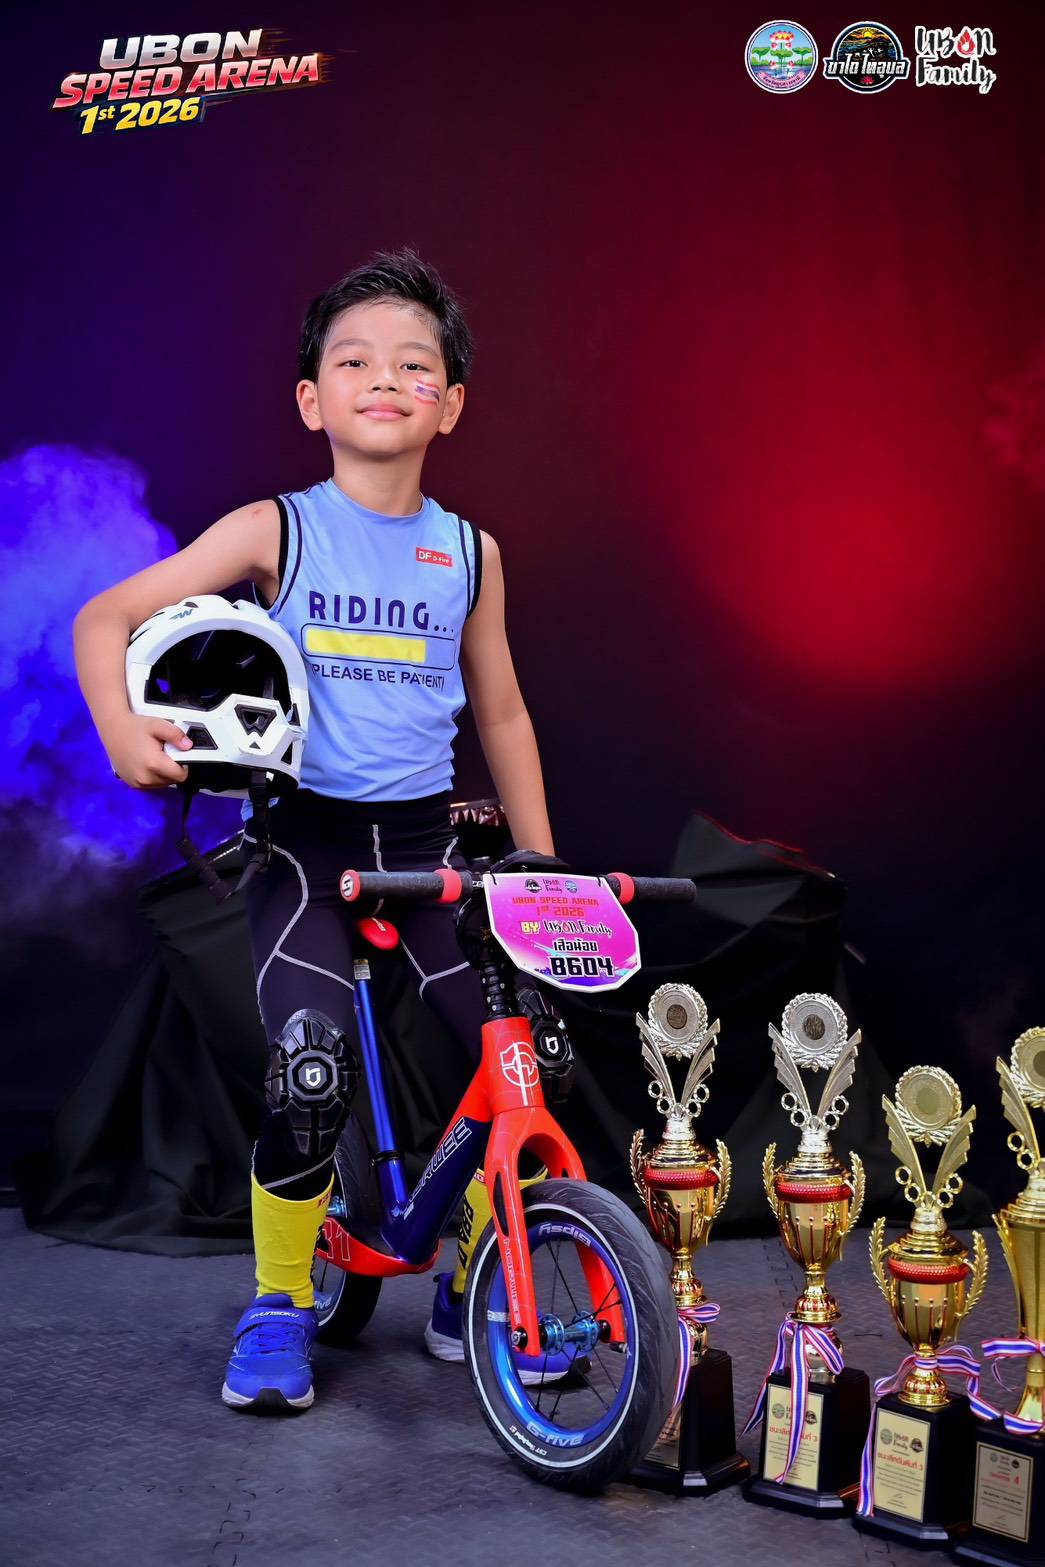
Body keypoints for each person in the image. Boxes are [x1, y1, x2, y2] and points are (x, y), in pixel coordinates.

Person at [73, 248, 556, 1411]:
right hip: (306, 851)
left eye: (414, 364)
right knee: (308, 1068)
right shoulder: (274, 530)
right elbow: (104, 616)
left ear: (451, 404)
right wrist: (120, 730)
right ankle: (280, 1302)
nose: (384, 378)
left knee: (529, 1051)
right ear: (310, 399)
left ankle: (473, 1272)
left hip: (427, 853)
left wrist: (542, 867)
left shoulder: (470, 552)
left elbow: (500, 711)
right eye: (354, 361)